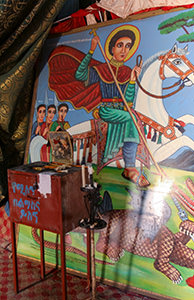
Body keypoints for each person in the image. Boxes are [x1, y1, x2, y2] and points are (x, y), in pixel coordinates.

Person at [74, 28, 149, 187]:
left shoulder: (127, 71)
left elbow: (128, 101)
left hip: (122, 110)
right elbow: (80, 75)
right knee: (131, 118)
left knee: (133, 115)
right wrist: (92, 49)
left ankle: (130, 166)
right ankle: (130, 168)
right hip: (106, 110)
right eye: (120, 45)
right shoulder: (102, 69)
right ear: (112, 49)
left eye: (128, 46)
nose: (124, 50)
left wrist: (132, 80)